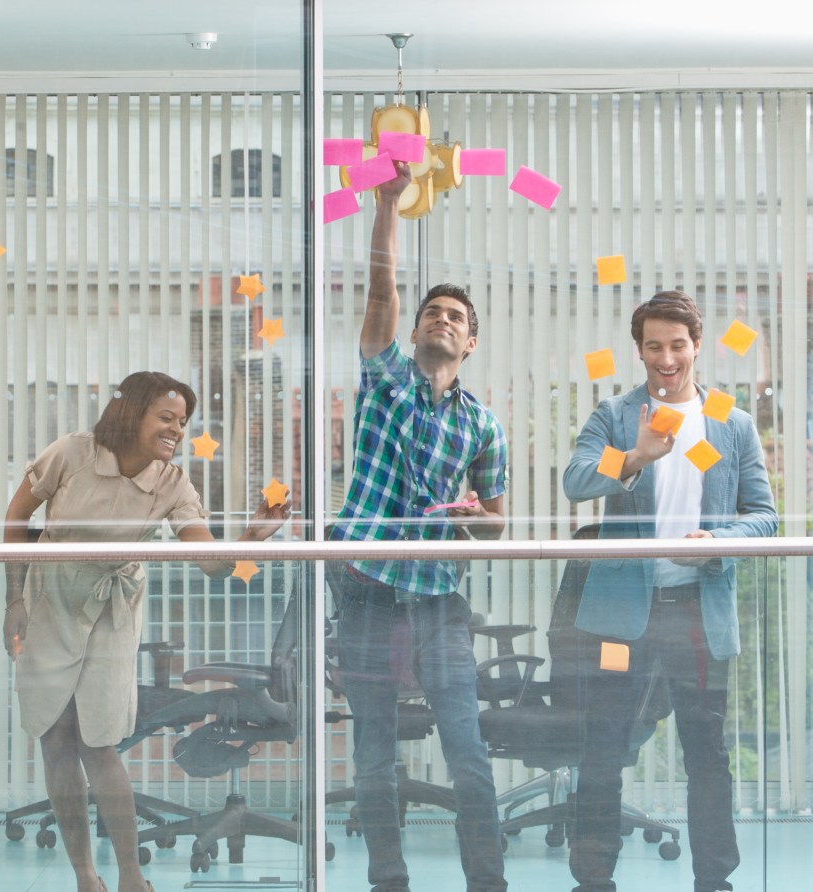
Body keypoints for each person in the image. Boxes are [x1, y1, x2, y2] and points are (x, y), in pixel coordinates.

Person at [1, 371, 289, 892]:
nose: (176, 430)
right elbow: (17, 517)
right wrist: (13, 599)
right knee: (56, 736)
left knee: (99, 741)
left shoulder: (173, 482)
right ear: (132, 413)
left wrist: (250, 536)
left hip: (113, 607)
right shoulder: (72, 453)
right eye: (166, 418)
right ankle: (86, 876)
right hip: (49, 600)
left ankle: (131, 875)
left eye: (182, 422)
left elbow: (210, 563)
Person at [325, 160, 509, 892]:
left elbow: (496, 525)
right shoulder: (386, 378)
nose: (440, 319)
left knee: (466, 745)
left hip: (437, 595)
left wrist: (473, 521)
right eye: (433, 312)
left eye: (455, 318)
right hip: (366, 585)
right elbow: (381, 293)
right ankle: (387, 881)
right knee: (373, 748)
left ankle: (486, 881)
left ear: (469, 345)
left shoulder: (482, 424)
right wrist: (387, 208)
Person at [562, 290, 778, 892]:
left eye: (677, 345)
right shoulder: (614, 413)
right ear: (639, 351)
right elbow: (575, 481)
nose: (666, 358)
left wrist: (716, 537)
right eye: (654, 346)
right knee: (603, 746)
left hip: (696, 616)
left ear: (697, 346)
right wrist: (634, 455)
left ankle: (715, 880)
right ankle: (593, 879)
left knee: (707, 752)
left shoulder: (731, 424)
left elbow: (764, 515)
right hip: (619, 620)